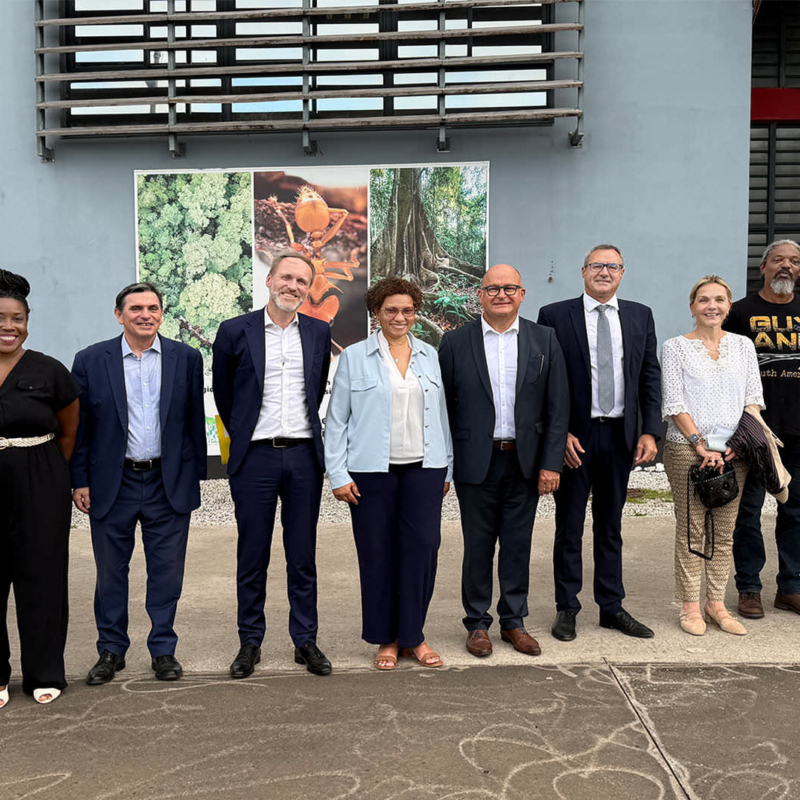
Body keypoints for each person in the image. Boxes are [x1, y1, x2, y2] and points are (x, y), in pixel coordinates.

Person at [71, 282, 206, 684]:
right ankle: (111, 650)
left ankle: (163, 650)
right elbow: (81, 427)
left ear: (161, 314)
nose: (145, 315)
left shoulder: (186, 358)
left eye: (153, 308)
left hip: (168, 482)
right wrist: (79, 479)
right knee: (111, 573)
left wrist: (195, 477)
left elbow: (193, 422)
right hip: (113, 483)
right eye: (135, 308)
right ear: (119, 315)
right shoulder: (91, 360)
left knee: (166, 573)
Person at [212, 250, 332, 678]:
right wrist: (248, 435)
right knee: (252, 554)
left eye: (301, 282)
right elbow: (225, 396)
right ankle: (250, 641)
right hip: (255, 458)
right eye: (286, 277)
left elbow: (316, 388)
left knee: (302, 555)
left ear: (308, 290)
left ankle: (305, 640)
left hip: (303, 457)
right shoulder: (234, 331)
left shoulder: (319, 332)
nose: (292, 286)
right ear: (269, 280)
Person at [439, 264, 569, 658]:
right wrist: (445, 465)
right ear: (480, 295)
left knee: (517, 545)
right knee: (478, 546)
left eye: (509, 288)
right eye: (493, 289)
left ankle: (514, 621)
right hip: (475, 461)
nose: (501, 295)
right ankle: (477, 624)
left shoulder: (544, 338)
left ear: (522, 294)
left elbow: (558, 407)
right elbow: (443, 408)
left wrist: (551, 463)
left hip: (524, 462)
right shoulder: (455, 342)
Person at [325, 277, 452, 670]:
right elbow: (337, 419)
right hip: (370, 471)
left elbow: (442, 415)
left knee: (422, 550)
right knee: (378, 554)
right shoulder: (354, 357)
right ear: (376, 313)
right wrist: (337, 473)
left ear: (416, 313)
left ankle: (414, 636)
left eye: (407, 310)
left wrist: (448, 466)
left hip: (425, 469)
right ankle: (387, 639)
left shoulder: (430, 355)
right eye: (391, 310)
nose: (400, 317)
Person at [537, 244, 661, 642]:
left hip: (621, 436)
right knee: (569, 526)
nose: (604, 272)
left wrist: (649, 430)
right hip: (576, 438)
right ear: (583, 271)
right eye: (596, 265)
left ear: (622, 273)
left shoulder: (640, 315)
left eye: (612, 266)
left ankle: (611, 607)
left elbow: (649, 375)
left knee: (610, 526)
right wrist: (558, 434)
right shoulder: (555, 315)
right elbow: (544, 381)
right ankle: (567, 607)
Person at [661, 276, 763, 636]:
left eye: (719, 300)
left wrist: (735, 443)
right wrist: (700, 444)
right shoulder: (675, 347)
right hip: (687, 450)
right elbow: (674, 401)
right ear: (692, 307)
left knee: (724, 530)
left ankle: (716, 603)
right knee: (692, 530)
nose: (711, 306)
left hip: (734, 452)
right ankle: (690, 606)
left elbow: (754, 400)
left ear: (729, 306)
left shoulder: (743, 346)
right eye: (703, 300)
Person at [0, 270, 79, 706]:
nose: (9, 326)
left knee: (42, 576)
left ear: (27, 322)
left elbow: (69, 429)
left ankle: (44, 671)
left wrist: (44, 470)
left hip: (40, 479)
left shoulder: (49, 370)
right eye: (0, 318)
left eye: (18, 318)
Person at [724, 239, 800, 620]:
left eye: (794, 261)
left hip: (798, 433)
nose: (786, 266)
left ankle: (791, 588)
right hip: (754, 432)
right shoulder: (739, 313)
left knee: (795, 512)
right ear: (763, 267)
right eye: (778, 260)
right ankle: (749, 588)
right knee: (748, 513)